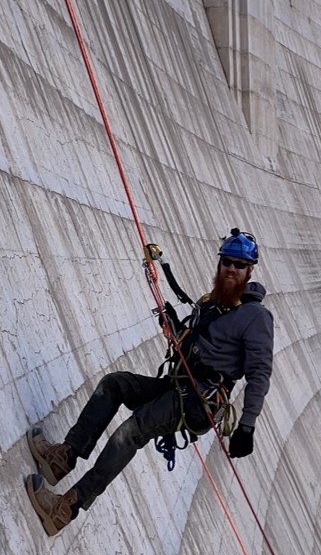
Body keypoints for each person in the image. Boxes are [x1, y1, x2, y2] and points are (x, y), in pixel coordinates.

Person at [23, 229, 274, 536]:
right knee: (115, 385)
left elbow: (260, 373)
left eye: (239, 264)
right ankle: (65, 457)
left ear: (250, 270)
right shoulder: (210, 303)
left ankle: (66, 508)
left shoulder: (255, 316)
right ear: (220, 264)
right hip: (179, 384)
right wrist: (176, 326)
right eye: (227, 263)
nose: (231, 269)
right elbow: (194, 343)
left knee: (132, 431)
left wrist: (247, 426)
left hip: (198, 401)